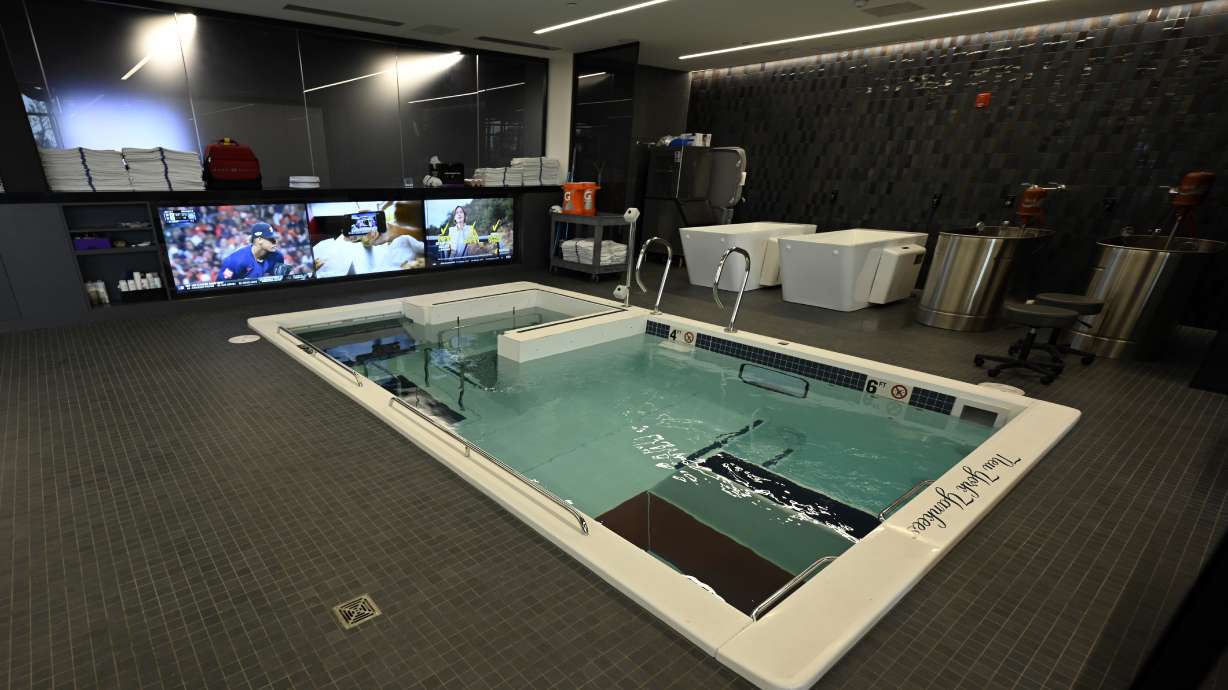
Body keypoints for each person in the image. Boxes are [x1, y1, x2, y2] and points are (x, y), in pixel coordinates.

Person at [219, 223, 285, 281]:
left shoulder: (277, 256)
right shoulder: (236, 260)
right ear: (259, 240)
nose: (275, 242)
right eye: (271, 239)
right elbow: (221, 286)